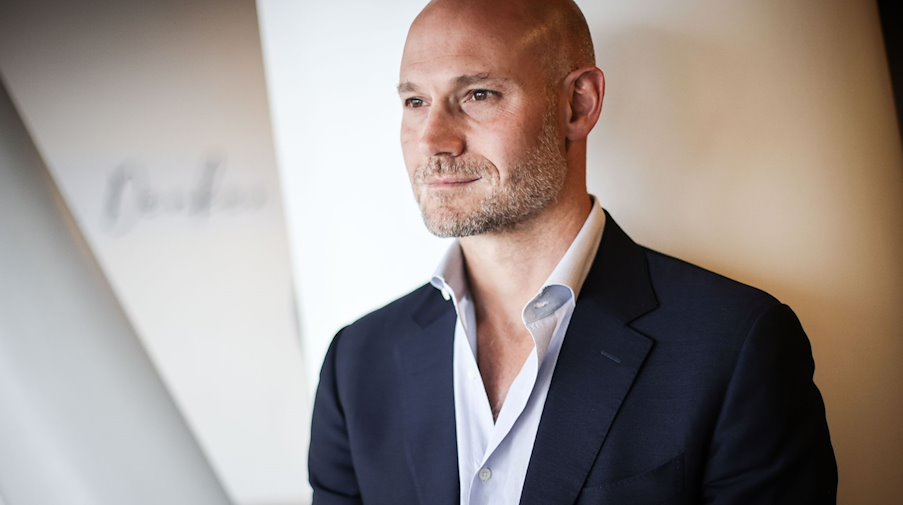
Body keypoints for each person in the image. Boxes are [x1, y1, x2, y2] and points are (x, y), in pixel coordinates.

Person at [308, 0, 837, 503]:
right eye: (415, 102)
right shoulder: (356, 365)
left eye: (479, 95)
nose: (434, 140)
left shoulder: (735, 346)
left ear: (578, 104)